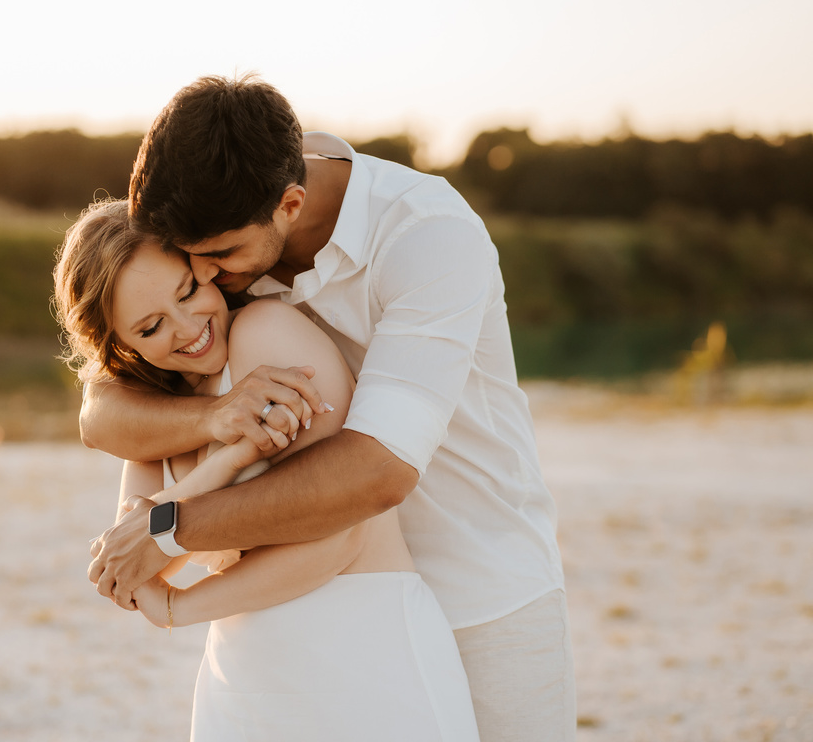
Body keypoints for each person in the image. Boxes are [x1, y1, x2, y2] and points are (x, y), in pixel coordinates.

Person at [85, 75, 576, 742]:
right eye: (188, 263)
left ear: (291, 204)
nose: (204, 278)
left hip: (482, 587)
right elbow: (101, 405)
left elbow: (377, 472)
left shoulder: (427, 236)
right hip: (310, 596)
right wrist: (212, 417)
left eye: (216, 258)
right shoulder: (223, 217)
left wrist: (170, 528)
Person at [54, 199, 479, 740]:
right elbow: (136, 559)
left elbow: (338, 537)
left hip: (365, 656)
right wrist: (228, 456)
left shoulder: (265, 334)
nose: (188, 328)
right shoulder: (156, 414)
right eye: (152, 326)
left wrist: (180, 608)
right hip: (245, 676)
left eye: (187, 292)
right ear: (121, 345)